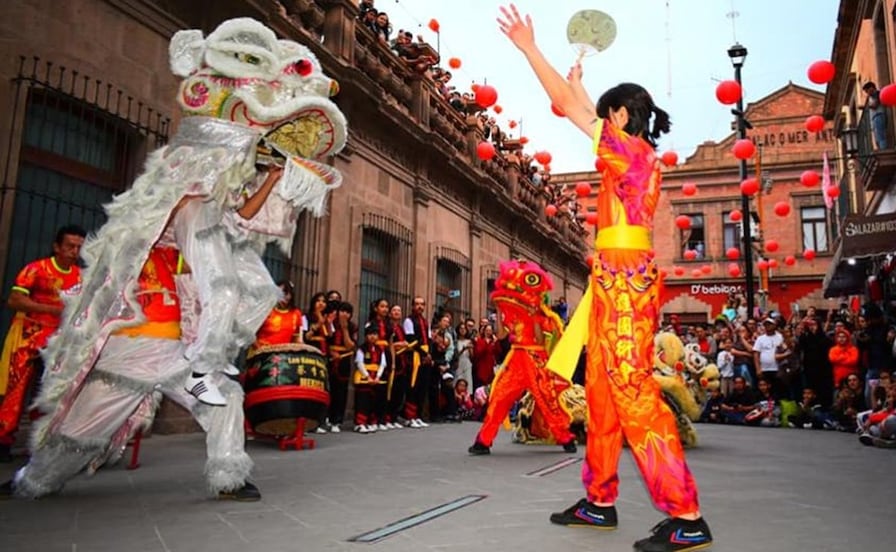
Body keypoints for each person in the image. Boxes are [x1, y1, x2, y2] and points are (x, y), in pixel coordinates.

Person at [497, 5, 712, 549]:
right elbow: (577, 104)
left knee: (633, 391)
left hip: (622, 281)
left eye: (604, 115)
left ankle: (686, 517)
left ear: (618, 118)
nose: (598, 123)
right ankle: (599, 501)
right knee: (602, 393)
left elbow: (568, 108)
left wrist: (528, 48)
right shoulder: (636, 155)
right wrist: (582, 86)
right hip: (616, 279)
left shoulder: (628, 152)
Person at [0, 225, 85, 462]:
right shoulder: (36, 269)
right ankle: (3, 442)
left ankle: (37, 443)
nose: (74, 251)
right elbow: (15, 300)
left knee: (47, 394)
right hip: (27, 339)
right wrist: (54, 309)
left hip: (59, 345)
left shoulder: (81, 277)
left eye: (78, 247)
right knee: (15, 393)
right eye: (69, 246)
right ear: (56, 247)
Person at [863, 82, 888, 150]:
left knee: (881, 135)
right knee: (877, 137)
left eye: (867, 91)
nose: (867, 93)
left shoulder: (877, 93)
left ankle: (883, 150)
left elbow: (875, 105)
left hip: (879, 115)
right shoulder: (871, 97)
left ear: (871, 88)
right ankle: (881, 149)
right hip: (875, 118)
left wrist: (865, 107)